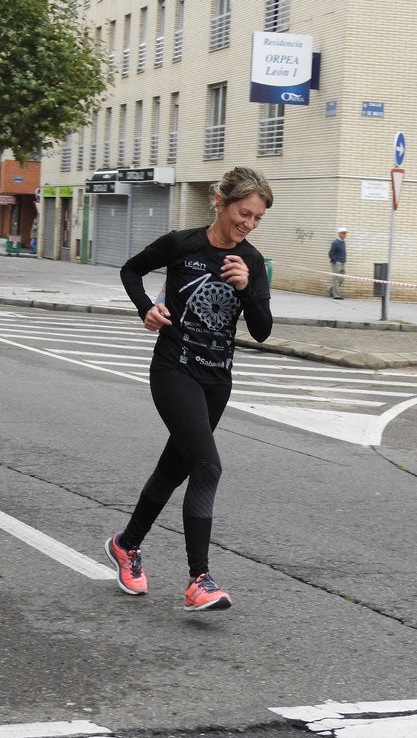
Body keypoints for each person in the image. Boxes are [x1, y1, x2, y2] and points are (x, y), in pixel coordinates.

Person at [105, 167, 274, 611]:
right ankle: (199, 579)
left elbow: (262, 331)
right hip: (174, 368)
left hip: (218, 379)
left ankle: (126, 544)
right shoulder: (182, 244)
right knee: (207, 465)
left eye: (257, 218)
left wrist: (249, 290)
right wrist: (147, 309)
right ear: (220, 202)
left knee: (174, 469)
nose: (249, 224)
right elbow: (131, 270)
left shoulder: (252, 262)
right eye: (244, 213)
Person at [327, 226, 347, 299]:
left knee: (341, 279)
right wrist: (335, 260)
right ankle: (336, 295)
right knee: (336, 279)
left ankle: (330, 290)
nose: (344, 235)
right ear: (339, 234)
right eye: (343, 233)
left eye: (345, 233)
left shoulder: (343, 242)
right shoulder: (335, 242)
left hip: (343, 262)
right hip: (337, 263)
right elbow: (331, 253)